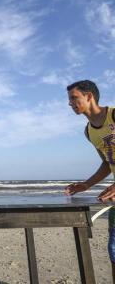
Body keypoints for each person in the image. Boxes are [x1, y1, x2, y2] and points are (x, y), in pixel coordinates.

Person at [65, 80, 115, 282]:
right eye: (69, 99)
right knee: (114, 251)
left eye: (73, 98)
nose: (70, 103)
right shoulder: (89, 131)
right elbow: (106, 163)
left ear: (89, 96)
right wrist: (86, 185)